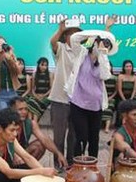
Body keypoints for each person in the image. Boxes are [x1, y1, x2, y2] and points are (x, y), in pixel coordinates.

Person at [48, 16, 116, 168]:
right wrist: (60, 29)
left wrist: (107, 29)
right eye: (70, 32)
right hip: (60, 98)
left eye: (76, 32)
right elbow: (53, 42)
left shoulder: (83, 52)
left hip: (77, 101)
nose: (73, 35)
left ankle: (72, 164)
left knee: (75, 136)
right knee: (59, 137)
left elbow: (101, 46)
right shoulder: (61, 49)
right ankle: (58, 165)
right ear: (65, 36)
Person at [66, 30, 116, 158]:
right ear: (95, 42)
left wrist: (103, 53)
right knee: (81, 137)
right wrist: (94, 34)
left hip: (96, 106)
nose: (103, 46)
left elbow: (105, 75)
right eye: (101, 43)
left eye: (107, 45)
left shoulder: (103, 62)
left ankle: (92, 167)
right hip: (79, 104)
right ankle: (77, 165)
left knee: (94, 139)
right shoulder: (82, 53)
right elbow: (74, 39)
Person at [9, 96, 69, 169]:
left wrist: (58, 154)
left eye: (26, 109)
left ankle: (26, 169)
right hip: (7, 155)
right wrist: (15, 154)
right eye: (20, 109)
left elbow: (44, 139)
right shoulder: (6, 123)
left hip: (22, 154)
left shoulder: (30, 123)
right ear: (12, 110)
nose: (24, 112)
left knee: (40, 144)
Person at [26, 57, 53, 122]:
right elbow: (32, 89)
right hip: (36, 95)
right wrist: (35, 96)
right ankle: (30, 123)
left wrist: (43, 96)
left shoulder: (50, 74)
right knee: (29, 102)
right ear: (38, 65)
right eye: (42, 65)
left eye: (46, 65)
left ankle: (34, 123)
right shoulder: (34, 74)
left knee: (36, 104)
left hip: (46, 97)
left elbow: (51, 89)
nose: (44, 67)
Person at [101, 61, 117, 133]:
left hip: (111, 97)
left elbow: (116, 91)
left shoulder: (115, 78)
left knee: (109, 107)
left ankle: (107, 127)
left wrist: (110, 98)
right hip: (101, 97)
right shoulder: (101, 77)